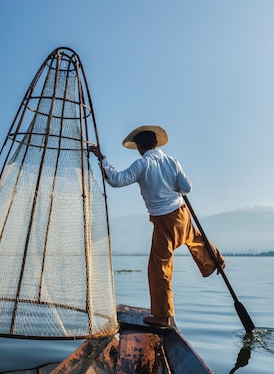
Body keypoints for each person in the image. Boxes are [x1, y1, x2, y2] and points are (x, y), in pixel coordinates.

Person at [88, 125, 225, 327]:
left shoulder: (142, 164)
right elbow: (187, 188)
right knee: (195, 238)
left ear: (139, 147)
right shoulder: (172, 161)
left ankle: (162, 315)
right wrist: (173, 186)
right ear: (154, 144)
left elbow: (116, 180)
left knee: (159, 267)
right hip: (182, 214)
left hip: (164, 220)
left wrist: (102, 159)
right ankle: (215, 261)